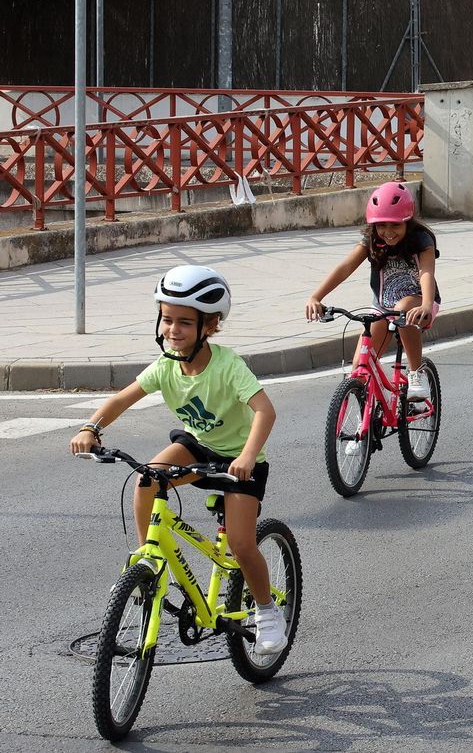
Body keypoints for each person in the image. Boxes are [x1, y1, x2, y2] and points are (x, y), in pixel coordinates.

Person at [69, 266, 286, 652]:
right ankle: (148, 560)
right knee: (147, 477)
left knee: (240, 543)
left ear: (211, 327)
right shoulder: (167, 366)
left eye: (185, 322)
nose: (173, 329)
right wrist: (91, 428)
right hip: (199, 447)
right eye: (167, 319)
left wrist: (248, 457)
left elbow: (264, 411)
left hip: (239, 460)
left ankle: (268, 610)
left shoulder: (228, 366)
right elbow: (122, 398)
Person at [305, 181, 440, 399]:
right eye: (381, 225)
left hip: (419, 304)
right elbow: (345, 267)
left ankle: (416, 374)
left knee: (403, 308)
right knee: (359, 367)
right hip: (382, 307)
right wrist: (315, 297)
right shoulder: (372, 241)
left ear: (408, 221)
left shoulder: (421, 239)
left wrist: (426, 304)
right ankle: (368, 417)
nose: (388, 232)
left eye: (395, 225)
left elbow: (426, 273)